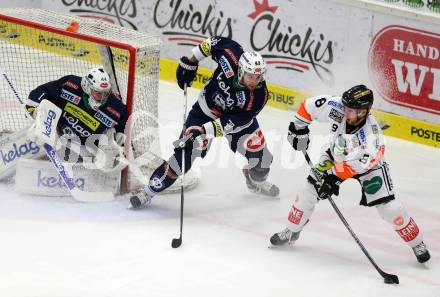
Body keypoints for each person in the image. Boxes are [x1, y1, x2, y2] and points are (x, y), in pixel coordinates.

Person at [270, 85, 430, 264]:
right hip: (334, 156)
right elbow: (308, 106)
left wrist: (332, 178)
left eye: (351, 110)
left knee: (391, 208)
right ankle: (292, 229)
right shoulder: (337, 106)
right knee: (308, 190)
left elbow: (364, 163)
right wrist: (298, 128)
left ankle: (417, 243)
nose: (345, 111)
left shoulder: (372, 135)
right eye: (345, 107)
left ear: (363, 112)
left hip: (369, 168)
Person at [129, 36, 279, 208]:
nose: (254, 81)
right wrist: (190, 63)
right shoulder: (231, 55)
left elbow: (232, 123)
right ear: (241, 70)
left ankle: (255, 181)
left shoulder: (259, 96)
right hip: (204, 111)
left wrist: (203, 131)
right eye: (250, 76)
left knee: (263, 160)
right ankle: (148, 192)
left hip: (236, 123)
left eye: (258, 77)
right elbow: (211, 44)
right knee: (182, 159)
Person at [24, 67, 128, 163]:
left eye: (105, 93)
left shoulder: (116, 107)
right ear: (87, 87)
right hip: (55, 135)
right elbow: (43, 91)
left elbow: (124, 125)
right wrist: (34, 110)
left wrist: (119, 141)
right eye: (98, 93)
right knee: (33, 136)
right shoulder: (70, 84)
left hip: (85, 149)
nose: (102, 97)